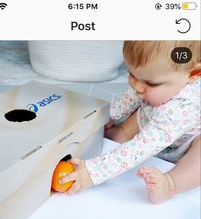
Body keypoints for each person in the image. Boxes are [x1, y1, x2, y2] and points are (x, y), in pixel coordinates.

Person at [61, 41, 201, 203]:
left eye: (151, 83)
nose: (137, 86)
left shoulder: (182, 107)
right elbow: (132, 96)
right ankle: (119, 134)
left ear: (194, 73)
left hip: (190, 138)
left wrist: (93, 172)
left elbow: (140, 148)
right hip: (152, 119)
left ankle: (171, 184)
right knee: (140, 109)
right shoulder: (147, 81)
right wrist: (110, 116)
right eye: (132, 74)